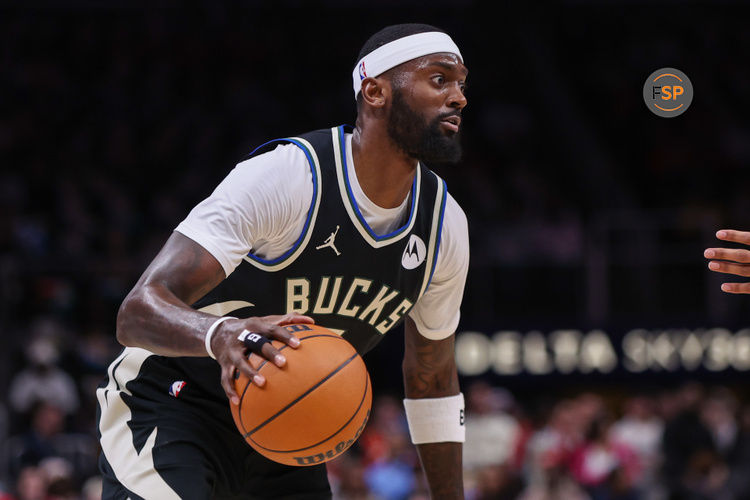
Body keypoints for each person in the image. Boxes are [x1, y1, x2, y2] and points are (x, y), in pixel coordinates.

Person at [96, 23, 470, 500]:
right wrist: (221, 334)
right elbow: (137, 311)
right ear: (375, 92)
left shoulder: (444, 226)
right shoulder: (290, 176)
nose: (458, 97)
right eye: (439, 79)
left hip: (288, 432)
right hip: (176, 401)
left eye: (461, 84)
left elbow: (432, 378)